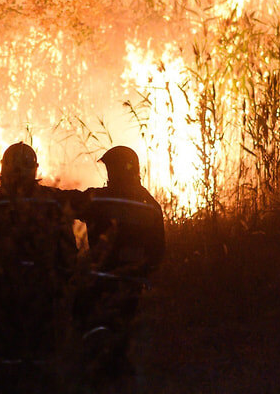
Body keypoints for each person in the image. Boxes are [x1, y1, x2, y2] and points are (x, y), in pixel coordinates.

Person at [0, 142, 78, 390]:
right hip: (44, 286)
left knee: (6, 347)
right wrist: (67, 279)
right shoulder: (52, 200)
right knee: (42, 346)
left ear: (4, 168)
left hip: (6, 286)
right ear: (34, 169)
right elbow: (67, 246)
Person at [72, 146, 164, 386]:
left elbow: (66, 203)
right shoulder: (150, 205)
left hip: (100, 282)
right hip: (132, 286)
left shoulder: (99, 200)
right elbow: (157, 253)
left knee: (90, 331)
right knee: (125, 339)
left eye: (111, 169)